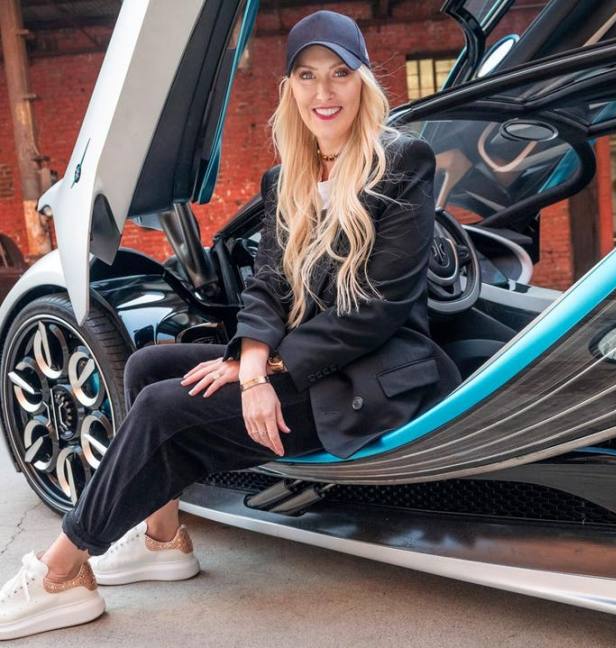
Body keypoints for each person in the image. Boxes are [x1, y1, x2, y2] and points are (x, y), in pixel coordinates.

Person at [0, 8, 456, 641]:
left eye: (339, 73)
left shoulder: (401, 163)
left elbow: (376, 309)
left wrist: (263, 370)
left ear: (363, 82)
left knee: (162, 407)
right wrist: (251, 362)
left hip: (368, 376)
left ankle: (62, 570)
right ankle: (162, 539)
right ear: (289, 89)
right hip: (301, 365)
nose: (323, 92)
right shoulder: (286, 179)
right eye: (306, 75)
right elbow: (266, 284)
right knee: (147, 366)